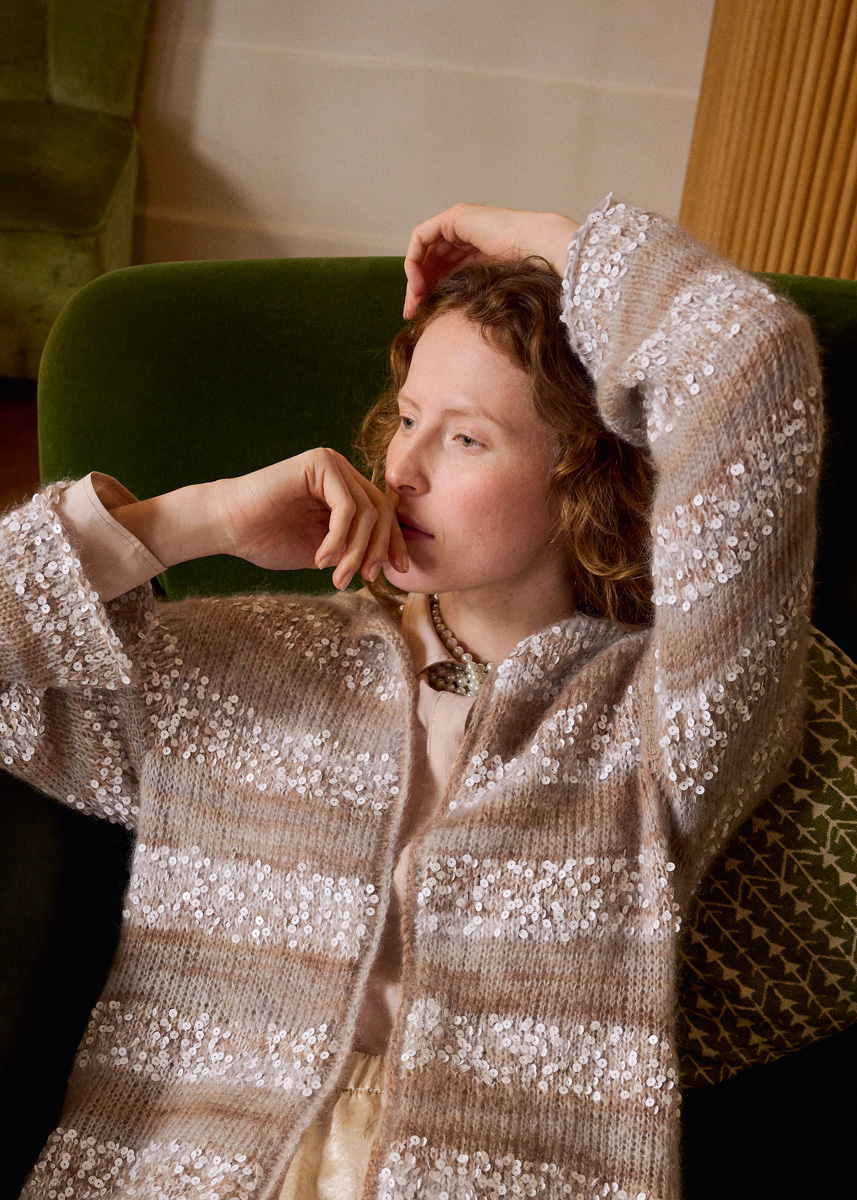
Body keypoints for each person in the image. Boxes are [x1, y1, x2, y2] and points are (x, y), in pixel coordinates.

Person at [1, 195, 822, 1200]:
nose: (402, 466)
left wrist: (545, 243)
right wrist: (192, 522)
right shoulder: (251, 669)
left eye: (465, 439)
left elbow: (753, 360)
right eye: (408, 418)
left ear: (585, 476)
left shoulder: (659, 727)